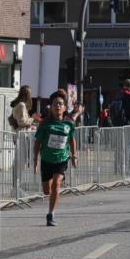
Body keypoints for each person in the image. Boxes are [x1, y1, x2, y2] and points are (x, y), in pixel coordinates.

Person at [33, 90, 78, 227]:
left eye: (60, 104)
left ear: (64, 107)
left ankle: (51, 214)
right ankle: (52, 193)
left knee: (56, 184)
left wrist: (74, 155)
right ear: (50, 107)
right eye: (55, 104)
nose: (57, 106)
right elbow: (37, 143)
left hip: (61, 159)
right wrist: (35, 159)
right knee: (47, 190)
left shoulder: (69, 123)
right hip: (46, 159)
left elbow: (71, 140)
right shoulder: (45, 124)